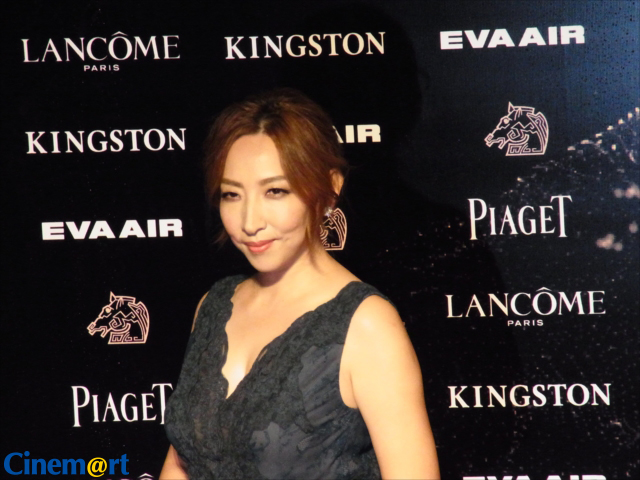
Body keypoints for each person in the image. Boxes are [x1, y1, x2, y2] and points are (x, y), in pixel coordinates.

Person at [160, 88, 440, 479]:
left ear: (330, 188)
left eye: (275, 191)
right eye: (231, 194)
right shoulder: (214, 305)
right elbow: (181, 462)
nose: (250, 221)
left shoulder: (366, 325)